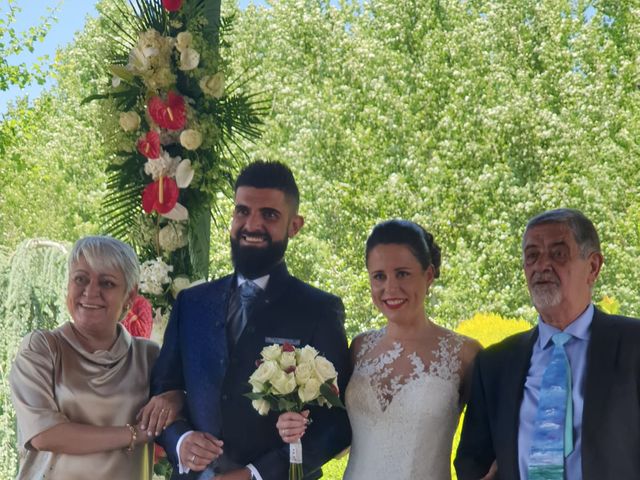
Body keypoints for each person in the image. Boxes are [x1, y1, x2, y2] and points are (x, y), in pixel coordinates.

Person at [150, 160, 351, 480]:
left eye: (269, 215)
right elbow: (163, 393)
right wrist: (181, 441)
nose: (251, 224)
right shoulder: (192, 304)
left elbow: (335, 426)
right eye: (242, 211)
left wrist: (255, 474)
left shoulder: (319, 310)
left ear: (294, 225)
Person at [277, 219, 481, 479]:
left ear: (428, 275)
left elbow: (486, 448)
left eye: (402, 274)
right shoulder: (359, 347)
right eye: (379, 276)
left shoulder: (466, 354)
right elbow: (333, 428)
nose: (390, 288)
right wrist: (293, 424)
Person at [455, 208, 640, 480]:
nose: (542, 266)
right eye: (532, 256)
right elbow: (473, 461)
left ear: (593, 267)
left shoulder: (633, 345)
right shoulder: (495, 364)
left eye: (558, 254)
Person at [9, 236, 181, 480]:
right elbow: (44, 434)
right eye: (81, 279)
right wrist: (135, 435)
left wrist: (176, 399)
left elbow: (183, 407)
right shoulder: (42, 348)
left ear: (129, 297)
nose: (90, 292)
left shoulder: (149, 356)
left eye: (107, 283)